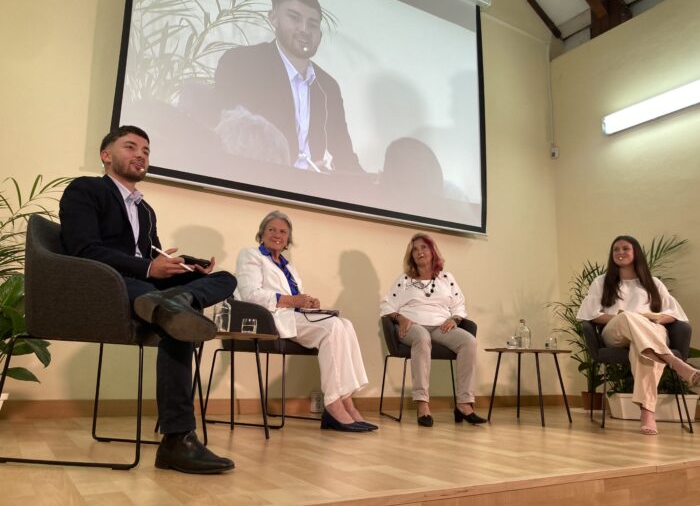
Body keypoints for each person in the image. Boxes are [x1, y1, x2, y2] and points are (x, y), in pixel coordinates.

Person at [59, 125, 237, 473]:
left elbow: (151, 256)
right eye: (130, 147)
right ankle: (177, 441)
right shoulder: (85, 190)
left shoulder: (145, 211)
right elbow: (84, 250)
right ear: (106, 155)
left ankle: (179, 299)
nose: (140, 154)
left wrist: (185, 267)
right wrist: (148, 267)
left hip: (145, 287)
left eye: (146, 150)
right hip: (105, 286)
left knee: (223, 279)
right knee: (175, 318)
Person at [235, 211, 375, 432]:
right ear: (262, 233)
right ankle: (333, 404)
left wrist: (308, 304)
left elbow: (295, 300)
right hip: (269, 319)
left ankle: (346, 400)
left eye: (283, 232)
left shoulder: (288, 266)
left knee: (345, 324)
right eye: (272, 230)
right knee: (331, 327)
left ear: (288, 239)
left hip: (293, 315)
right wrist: (293, 300)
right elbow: (250, 295)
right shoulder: (250, 255)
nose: (277, 235)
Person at [215, 0, 363, 173]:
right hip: (255, 180)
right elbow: (228, 137)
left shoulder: (328, 86)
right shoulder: (241, 63)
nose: (304, 29)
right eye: (294, 18)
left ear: (320, 35)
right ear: (274, 18)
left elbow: (343, 153)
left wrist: (372, 184)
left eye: (312, 24)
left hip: (314, 187)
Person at [577, 235, 700, 435]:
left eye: (625, 248)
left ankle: (647, 413)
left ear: (636, 253)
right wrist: (629, 318)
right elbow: (590, 315)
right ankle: (674, 362)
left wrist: (656, 320)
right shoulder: (601, 282)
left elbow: (675, 314)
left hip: (651, 332)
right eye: (616, 249)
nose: (620, 252)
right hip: (616, 331)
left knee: (642, 347)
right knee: (628, 317)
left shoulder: (653, 283)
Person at [380, 233, 486, 427]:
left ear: (432, 251)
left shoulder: (447, 278)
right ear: (411, 256)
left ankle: (464, 404)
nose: (419, 252)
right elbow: (387, 305)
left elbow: (459, 305)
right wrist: (401, 318)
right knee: (422, 337)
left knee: (469, 341)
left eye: (424, 247)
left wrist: (454, 319)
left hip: (440, 326)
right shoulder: (405, 280)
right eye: (415, 249)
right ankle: (422, 404)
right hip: (412, 326)